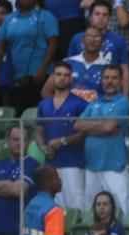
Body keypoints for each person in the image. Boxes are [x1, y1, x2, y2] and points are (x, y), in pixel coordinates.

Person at [74, 64, 129, 215]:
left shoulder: (123, 102)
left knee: (122, 210)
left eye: (114, 78)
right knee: (91, 212)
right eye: (106, 77)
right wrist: (103, 124)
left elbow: (109, 127)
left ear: (120, 81)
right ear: (101, 80)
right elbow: (78, 125)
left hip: (115, 166)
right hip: (92, 166)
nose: (109, 81)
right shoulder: (94, 103)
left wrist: (92, 127)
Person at [0, 0, 59, 114]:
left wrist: (43, 69)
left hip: (40, 76)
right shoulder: (9, 19)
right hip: (17, 77)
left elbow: (53, 45)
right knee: (20, 115)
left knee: (40, 113)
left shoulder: (46, 17)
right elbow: (1, 48)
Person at [36, 60, 88, 211]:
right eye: (58, 74)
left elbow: (84, 132)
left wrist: (63, 141)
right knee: (54, 209)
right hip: (51, 165)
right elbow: (39, 130)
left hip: (73, 163)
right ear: (52, 77)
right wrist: (43, 147)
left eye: (66, 75)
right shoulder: (44, 104)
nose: (62, 78)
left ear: (71, 78)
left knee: (75, 207)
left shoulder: (80, 104)